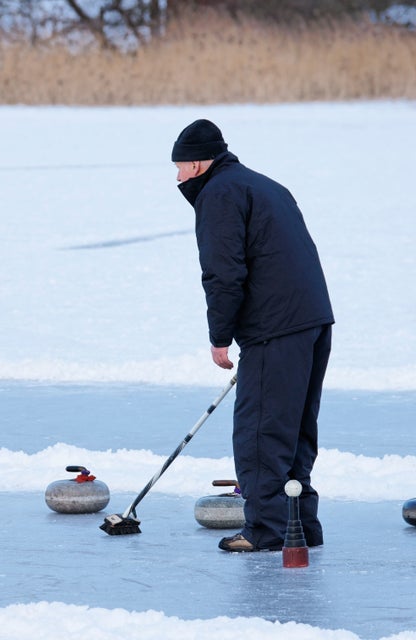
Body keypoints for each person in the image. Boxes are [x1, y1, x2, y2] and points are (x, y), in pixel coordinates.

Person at [171, 119, 334, 552]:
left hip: (274, 327)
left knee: (261, 433)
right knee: (294, 429)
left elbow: (223, 272)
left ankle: (266, 529)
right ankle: (301, 527)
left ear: (200, 162)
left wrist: (220, 335)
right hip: (312, 321)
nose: (178, 177)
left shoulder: (219, 194)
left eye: (181, 167)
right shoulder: (266, 186)